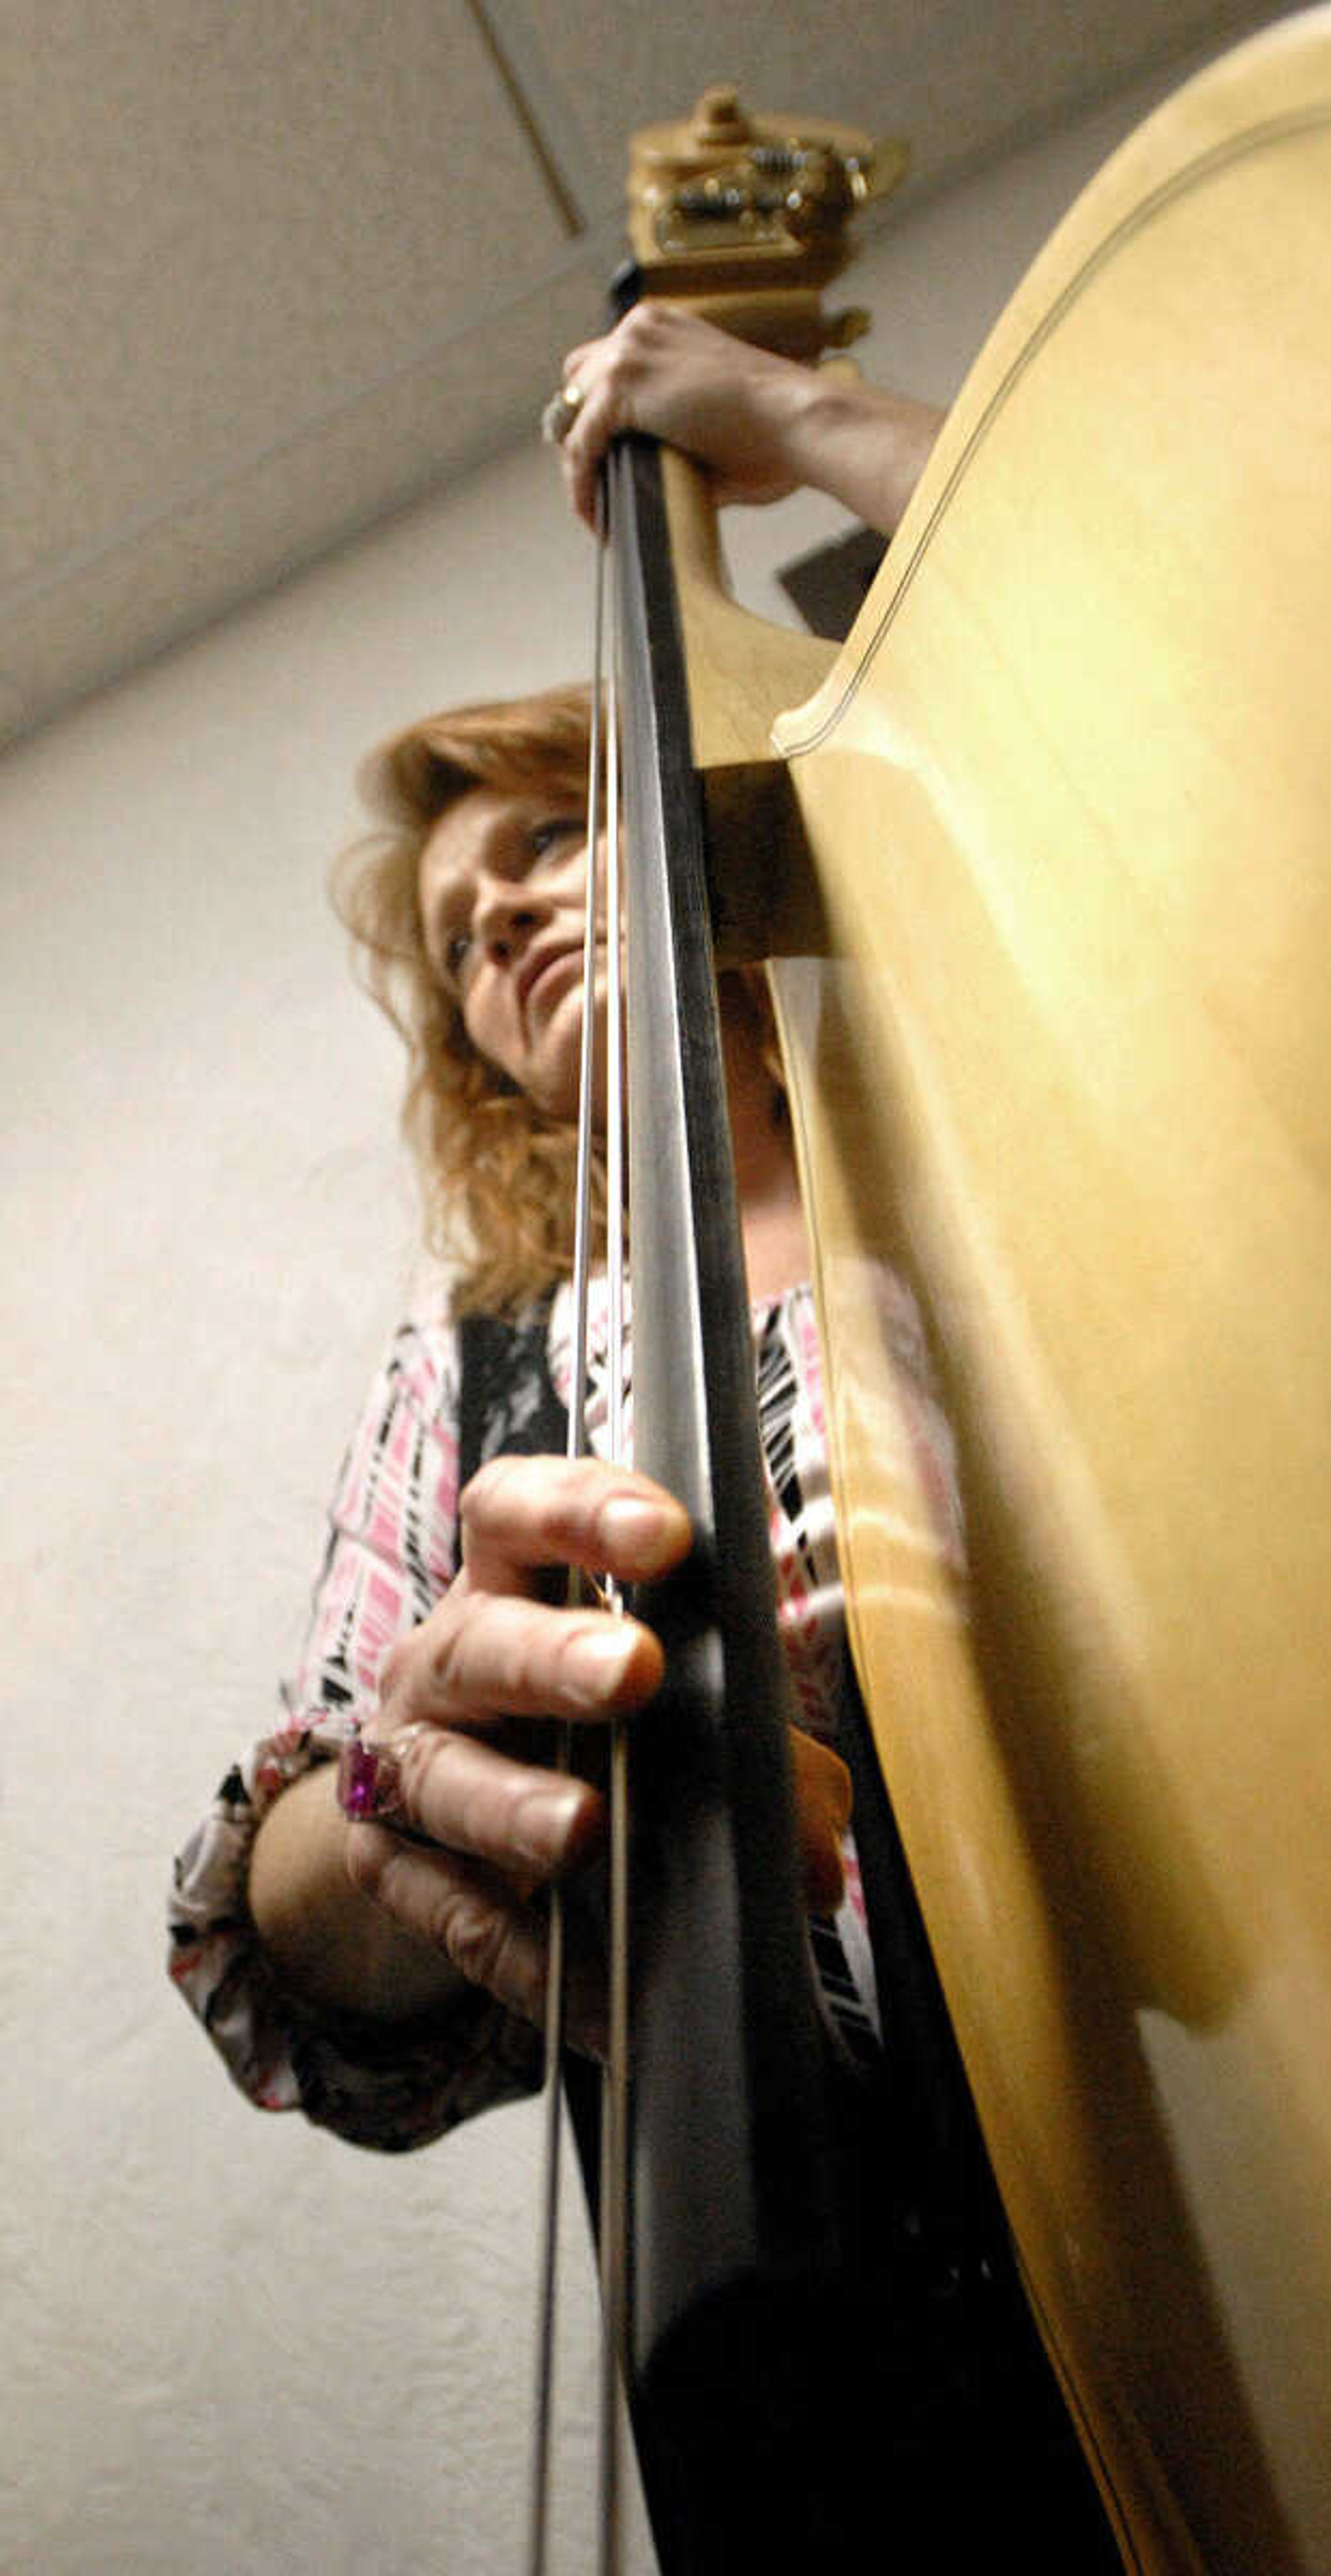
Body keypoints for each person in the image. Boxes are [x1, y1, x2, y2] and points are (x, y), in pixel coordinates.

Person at [167, 308, 957, 2142]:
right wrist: (403, 1795)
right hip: (853, 2310)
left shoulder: (1011, 1114)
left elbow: (1167, 627)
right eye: (458, 946)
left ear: (697, 820)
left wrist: (788, 411)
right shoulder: (477, 1372)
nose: (500, 928)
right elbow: (292, 1927)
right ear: (500, 1069)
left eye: (542, 843)